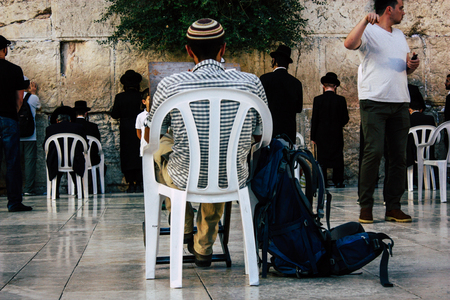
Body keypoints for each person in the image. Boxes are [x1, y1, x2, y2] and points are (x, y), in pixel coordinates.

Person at [145, 18, 268, 267]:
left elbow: (150, 138)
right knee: (222, 162)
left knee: (160, 152)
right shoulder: (251, 83)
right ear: (223, 49)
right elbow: (261, 137)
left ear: (189, 51)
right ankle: (203, 246)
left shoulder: (170, 85)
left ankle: (183, 225)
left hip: (184, 177)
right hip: (233, 176)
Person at [344, 0, 420, 223]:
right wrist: (364, 20)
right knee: (373, 153)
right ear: (389, 9)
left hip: (400, 102)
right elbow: (349, 43)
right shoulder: (368, 30)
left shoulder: (398, 36)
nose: (403, 12)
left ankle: (393, 207)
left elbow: (403, 68)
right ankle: (365, 206)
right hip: (374, 101)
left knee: (399, 156)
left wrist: (410, 66)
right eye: (401, 7)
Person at [0, 35, 32, 212]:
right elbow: (19, 99)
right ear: (4, 49)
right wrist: (13, 112)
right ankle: (14, 202)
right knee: (12, 161)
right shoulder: (14, 70)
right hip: (8, 119)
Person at [311, 72, 349, 188]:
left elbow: (315, 119)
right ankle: (338, 181)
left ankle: (323, 181)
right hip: (336, 133)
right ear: (335, 86)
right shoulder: (341, 100)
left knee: (322, 157)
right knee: (337, 156)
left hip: (321, 134)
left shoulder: (318, 100)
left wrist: (313, 136)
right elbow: (345, 118)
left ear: (324, 86)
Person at [260, 44, 303, 142]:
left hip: (269, 131)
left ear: (274, 60)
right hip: (289, 132)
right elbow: (299, 108)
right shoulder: (296, 83)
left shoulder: (264, 79)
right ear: (288, 64)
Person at [44, 106, 88, 197]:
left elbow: (45, 146)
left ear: (57, 120)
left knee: (56, 158)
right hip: (75, 161)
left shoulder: (50, 129)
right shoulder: (79, 127)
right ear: (70, 120)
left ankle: (55, 191)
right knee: (75, 159)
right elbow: (85, 146)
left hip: (56, 162)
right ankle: (79, 190)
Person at [111, 70, 143, 193]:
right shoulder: (141, 97)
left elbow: (114, 115)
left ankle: (130, 183)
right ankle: (140, 183)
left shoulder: (120, 97)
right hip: (140, 128)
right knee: (139, 153)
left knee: (127, 155)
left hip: (126, 129)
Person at [20, 78, 41, 196]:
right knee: (30, 163)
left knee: (14, 162)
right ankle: (28, 189)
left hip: (14, 134)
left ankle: (14, 188)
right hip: (30, 135)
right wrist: (33, 93)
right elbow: (39, 107)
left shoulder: (12, 97)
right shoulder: (33, 98)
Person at [135, 88, 150, 157]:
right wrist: (144, 140)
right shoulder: (140, 116)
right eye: (150, 100)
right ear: (144, 102)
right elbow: (139, 132)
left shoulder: (160, 114)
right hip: (145, 146)